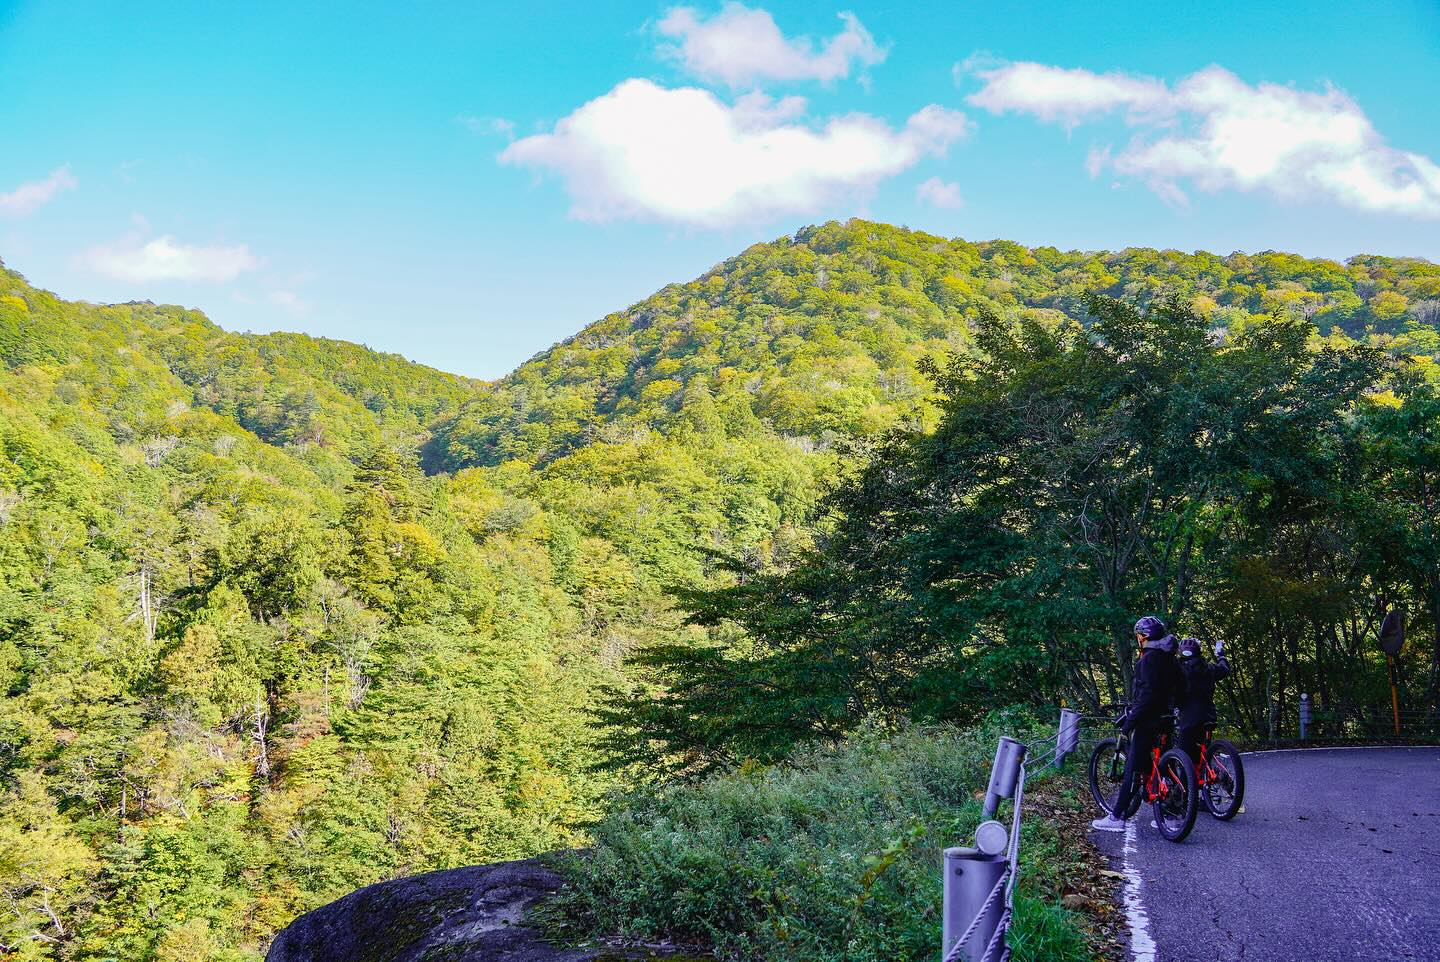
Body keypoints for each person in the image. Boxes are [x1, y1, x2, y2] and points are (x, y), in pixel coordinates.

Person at [1091, 616, 1183, 832]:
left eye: (1138, 636)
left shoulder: (1147, 660)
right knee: (1165, 765)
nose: (1137, 640)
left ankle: (1117, 817)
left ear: (1144, 637)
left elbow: (1145, 697)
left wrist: (1129, 723)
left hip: (1147, 720)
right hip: (1167, 719)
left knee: (1132, 767)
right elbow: (1182, 687)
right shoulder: (1171, 659)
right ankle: (1172, 815)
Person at [1175, 636, 1230, 766]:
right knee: (1202, 748)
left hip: (1189, 718)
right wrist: (1221, 656)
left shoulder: (1178, 671)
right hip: (1209, 715)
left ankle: (1188, 784)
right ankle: (1206, 771)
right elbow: (1224, 670)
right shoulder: (1208, 668)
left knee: (1184, 757)